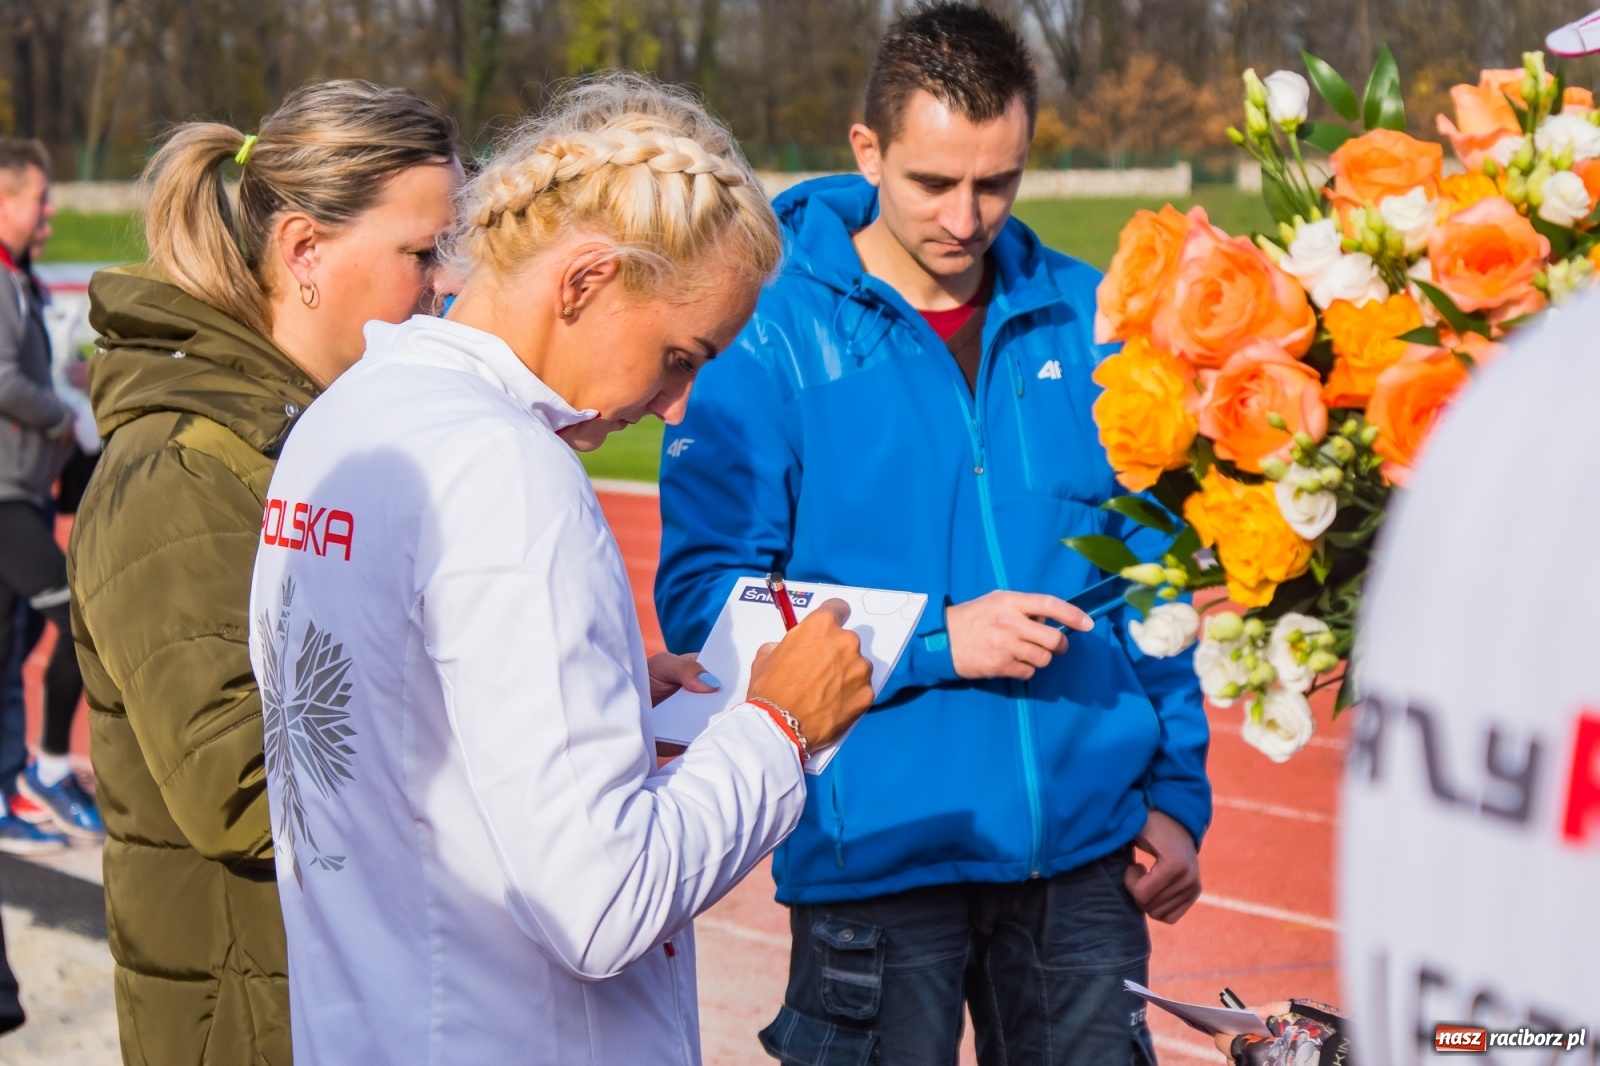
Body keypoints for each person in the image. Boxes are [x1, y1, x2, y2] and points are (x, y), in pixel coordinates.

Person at [245, 73, 877, 1065]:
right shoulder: (509, 468)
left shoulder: (344, 418)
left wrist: (611, 696)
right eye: (679, 355)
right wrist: (778, 729)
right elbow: (600, 905)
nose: (678, 405)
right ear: (583, 280)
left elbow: (399, 730)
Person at [656, 5, 1212, 1063]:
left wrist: (1179, 796)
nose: (966, 216)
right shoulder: (760, 335)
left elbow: (1157, 582)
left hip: (1084, 861)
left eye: (996, 181)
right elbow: (706, 608)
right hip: (877, 858)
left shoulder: (1094, 320)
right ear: (866, 151)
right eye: (932, 183)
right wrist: (935, 641)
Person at [67, 81, 460, 1065]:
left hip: (327, 998)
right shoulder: (180, 468)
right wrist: (503, 718)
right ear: (302, 252)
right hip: (252, 1024)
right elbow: (243, 788)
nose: (444, 286)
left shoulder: (306, 441)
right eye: (420, 253)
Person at [0, 138, 91, 850]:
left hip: (24, 490)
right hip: (4, 498)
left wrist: (71, 391)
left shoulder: (21, 278)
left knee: (9, 647)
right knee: (82, 615)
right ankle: (46, 771)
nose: (51, 212)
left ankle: (16, 783)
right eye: (40, 198)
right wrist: (62, 416)